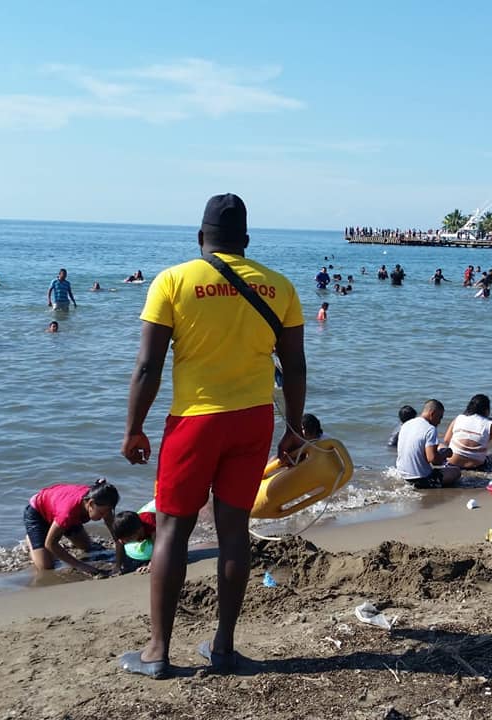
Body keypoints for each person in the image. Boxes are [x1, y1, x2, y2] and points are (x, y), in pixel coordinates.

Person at [119, 193, 306, 679]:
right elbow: (296, 366)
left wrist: (134, 427)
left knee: (171, 530)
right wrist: (293, 428)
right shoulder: (279, 287)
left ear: (201, 238)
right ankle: (223, 647)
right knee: (233, 532)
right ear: (245, 241)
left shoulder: (174, 280)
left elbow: (148, 366)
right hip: (254, 420)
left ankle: (158, 652)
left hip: (194, 423)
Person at [23, 478, 121, 576]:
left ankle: (55, 529)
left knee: (86, 546)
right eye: (102, 513)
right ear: (90, 504)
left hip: (60, 509)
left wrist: (120, 557)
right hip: (38, 512)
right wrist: (80, 566)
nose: (105, 516)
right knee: (46, 566)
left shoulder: (102, 501)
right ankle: (30, 540)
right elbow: (50, 544)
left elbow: (116, 534)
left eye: (108, 512)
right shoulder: (67, 514)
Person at [396, 399, 460, 488]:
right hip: (420, 480)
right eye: (439, 417)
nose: (439, 422)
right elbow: (433, 460)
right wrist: (445, 454)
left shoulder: (406, 424)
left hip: (402, 475)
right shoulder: (430, 429)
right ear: (432, 414)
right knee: (456, 472)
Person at [443, 394, 492, 473]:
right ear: (486, 409)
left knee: (441, 445)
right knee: (491, 457)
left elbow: (446, 440)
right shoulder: (491, 424)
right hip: (476, 466)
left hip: (453, 462)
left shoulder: (458, 418)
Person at [113, 501, 158, 573]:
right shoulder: (130, 532)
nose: (126, 542)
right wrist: (117, 566)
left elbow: (157, 546)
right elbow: (119, 543)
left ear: (139, 531)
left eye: (128, 539)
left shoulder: (151, 527)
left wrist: (151, 564)